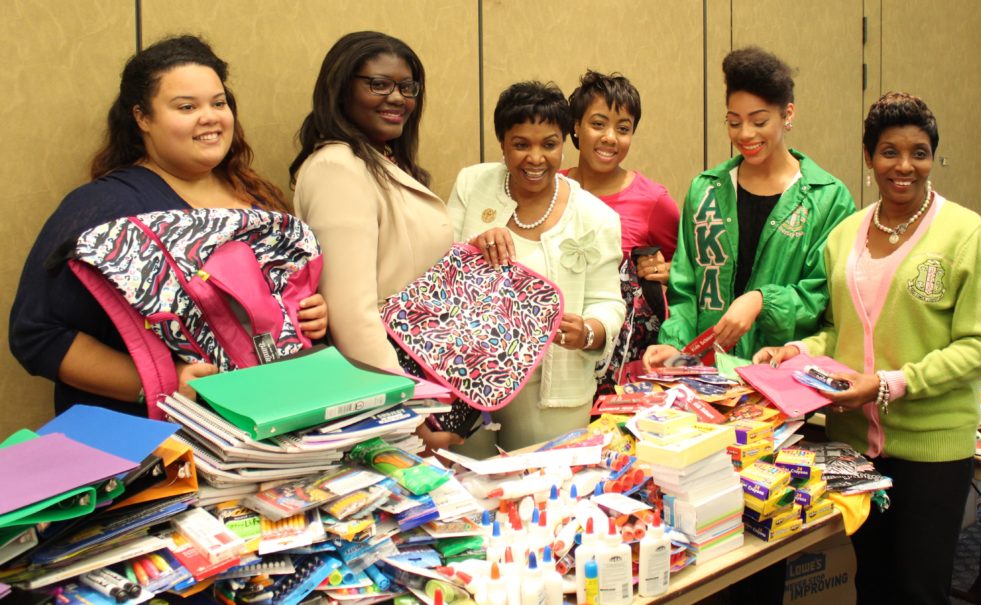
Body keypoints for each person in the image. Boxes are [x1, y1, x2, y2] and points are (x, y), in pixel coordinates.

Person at [754, 92, 981, 604]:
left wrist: (890, 384)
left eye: (919, 152)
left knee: (919, 589)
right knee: (870, 583)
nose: (904, 166)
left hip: (930, 450)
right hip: (854, 449)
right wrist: (798, 351)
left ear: (933, 156)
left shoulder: (966, 233)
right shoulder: (844, 236)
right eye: (890, 151)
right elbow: (837, 330)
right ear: (869, 157)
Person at [9, 35, 327, 417]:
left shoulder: (256, 199)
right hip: (155, 448)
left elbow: (268, 305)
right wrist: (164, 381)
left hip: (270, 429)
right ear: (142, 117)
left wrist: (309, 314)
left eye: (218, 102)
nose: (209, 117)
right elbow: (37, 335)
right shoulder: (105, 208)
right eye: (186, 106)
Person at [289, 31, 462, 453]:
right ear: (341, 88)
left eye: (407, 87)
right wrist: (409, 417)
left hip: (426, 382)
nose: (397, 98)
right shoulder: (337, 167)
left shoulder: (382, 160)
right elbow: (352, 318)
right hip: (386, 398)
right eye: (378, 84)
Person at [644, 47, 855, 365]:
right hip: (708, 375)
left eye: (759, 121)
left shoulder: (827, 198)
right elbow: (685, 287)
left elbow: (823, 296)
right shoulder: (706, 192)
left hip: (780, 374)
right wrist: (675, 344)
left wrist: (761, 301)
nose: (745, 134)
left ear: (788, 114)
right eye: (733, 122)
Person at [446, 81, 625, 456]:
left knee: (543, 494)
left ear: (565, 141)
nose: (536, 158)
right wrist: (472, 248)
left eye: (549, 144)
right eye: (521, 144)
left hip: (551, 387)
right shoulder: (473, 184)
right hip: (468, 378)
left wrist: (589, 331)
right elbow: (441, 267)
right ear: (502, 141)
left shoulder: (596, 217)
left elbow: (608, 302)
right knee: (468, 490)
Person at [562, 70, 680, 392]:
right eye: (598, 124)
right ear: (575, 126)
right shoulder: (550, 187)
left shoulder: (654, 200)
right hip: (556, 346)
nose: (610, 137)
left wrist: (667, 272)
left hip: (621, 359)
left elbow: (688, 270)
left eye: (623, 129)